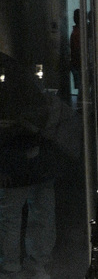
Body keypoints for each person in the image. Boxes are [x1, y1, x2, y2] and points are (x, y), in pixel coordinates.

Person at [0, 53, 57, 279]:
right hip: (37, 160)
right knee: (40, 213)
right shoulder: (25, 81)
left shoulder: (10, 84)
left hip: (14, 160)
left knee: (11, 217)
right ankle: (36, 263)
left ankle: (11, 265)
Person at [69, 9, 81, 94]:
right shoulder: (77, 33)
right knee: (82, 88)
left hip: (76, 64)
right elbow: (77, 50)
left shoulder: (76, 32)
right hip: (78, 64)